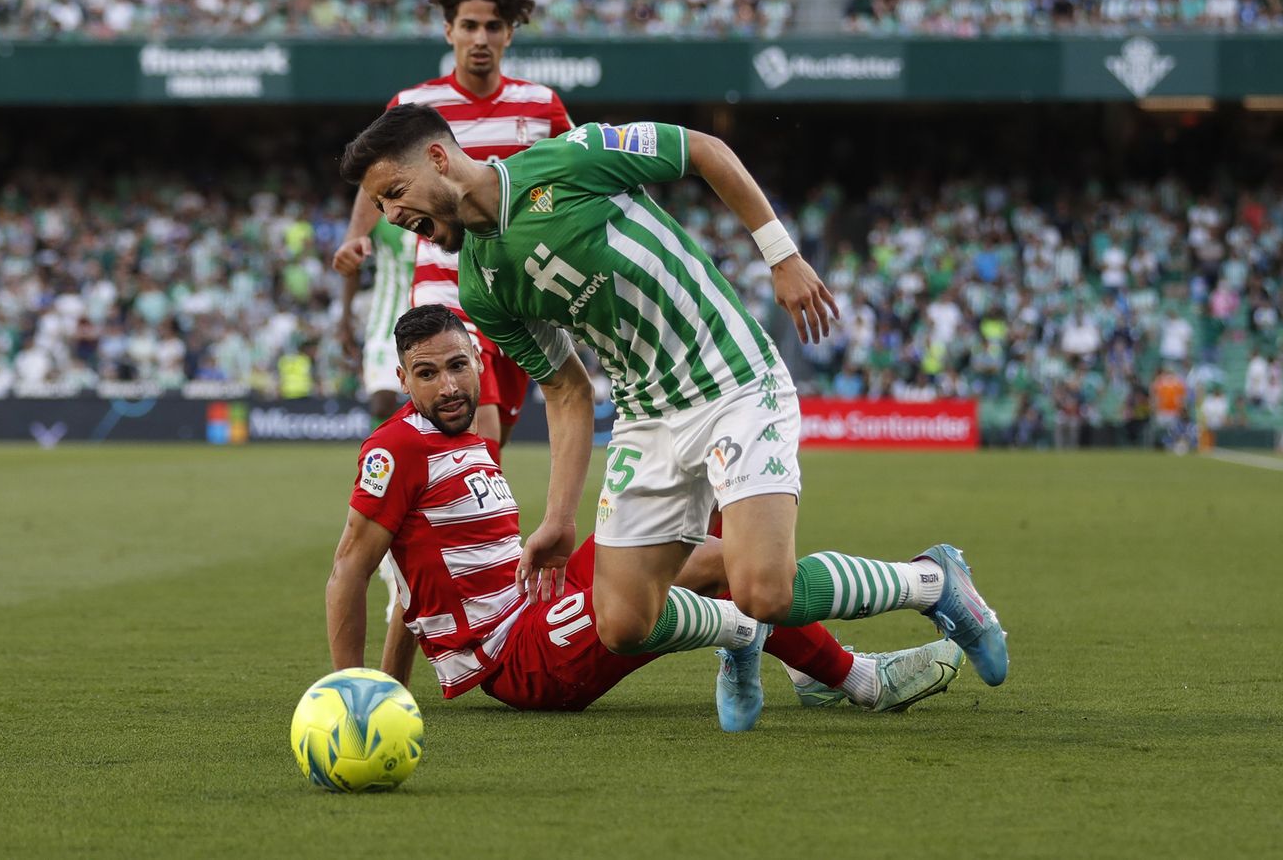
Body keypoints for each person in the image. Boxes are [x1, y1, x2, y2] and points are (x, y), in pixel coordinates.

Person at [337, 107, 1009, 730]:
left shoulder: (568, 159)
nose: (392, 215)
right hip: (647, 417)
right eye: (381, 206)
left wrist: (782, 254)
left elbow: (705, 150)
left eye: (394, 192)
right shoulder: (481, 287)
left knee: (764, 589)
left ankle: (933, 579)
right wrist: (560, 517)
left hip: (732, 377)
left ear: (437, 157)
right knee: (624, 622)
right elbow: (568, 390)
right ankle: (738, 637)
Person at [324, 306, 965, 725]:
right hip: (516, 659)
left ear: (480, 363)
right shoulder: (397, 447)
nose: (449, 386)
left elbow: (415, 588)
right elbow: (352, 571)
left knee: (702, 530)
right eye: (428, 374)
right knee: (708, 582)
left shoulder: (465, 441)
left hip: (540, 599)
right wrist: (358, 693)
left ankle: (811, 663)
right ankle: (856, 674)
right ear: (404, 379)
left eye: (458, 366)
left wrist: (393, 685)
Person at [331, 0, 572, 446]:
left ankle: (471, 521)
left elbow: (571, 185)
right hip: (447, 293)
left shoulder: (541, 106)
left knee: (488, 448)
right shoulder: (416, 105)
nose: (480, 37)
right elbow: (374, 182)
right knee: (468, 437)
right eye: (469, 25)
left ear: (509, 33)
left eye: (492, 26)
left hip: (521, 296)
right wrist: (357, 236)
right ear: (449, 30)